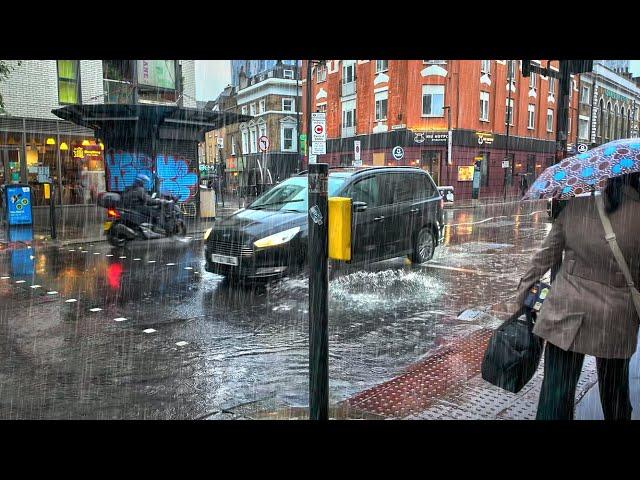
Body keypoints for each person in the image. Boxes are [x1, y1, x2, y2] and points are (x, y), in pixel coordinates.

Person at [513, 172, 640, 420]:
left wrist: (522, 295)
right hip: (615, 320)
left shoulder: (578, 206)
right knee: (615, 398)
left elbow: (545, 256)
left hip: (566, 313)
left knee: (555, 394)